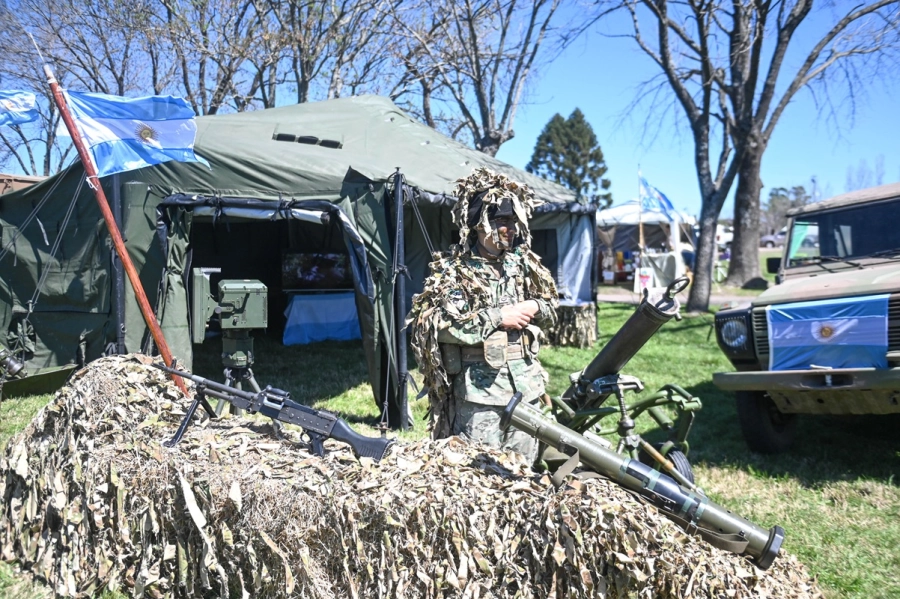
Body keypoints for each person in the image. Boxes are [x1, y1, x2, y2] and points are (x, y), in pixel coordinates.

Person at [407, 167, 558, 461]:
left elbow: (552, 307)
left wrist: (536, 306)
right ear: (480, 224)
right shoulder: (453, 272)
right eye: (502, 221)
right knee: (479, 473)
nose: (511, 228)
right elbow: (437, 326)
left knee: (523, 470)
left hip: (526, 388)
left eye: (514, 221)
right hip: (481, 395)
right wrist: (498, 316)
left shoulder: (523, 265)